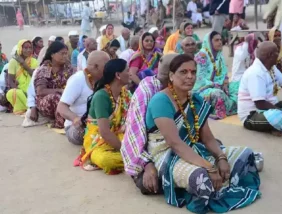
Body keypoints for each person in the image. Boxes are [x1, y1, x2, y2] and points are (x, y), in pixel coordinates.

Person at [145, 54, 260, 213]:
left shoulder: (195, 99)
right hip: (166, 157)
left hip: (194, 150)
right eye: (183, 72)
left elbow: (207, 138)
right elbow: (175, 144)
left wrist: (221, 158)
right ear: (171, 76)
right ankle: (212, 186)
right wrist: (210, 167)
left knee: (245, 154)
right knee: (202, 179)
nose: (190, 76)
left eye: (193, 72)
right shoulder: (161, 101)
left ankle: (219, 183)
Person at [121, 53, 178, 194]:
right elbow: (135, 132)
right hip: (153, 149)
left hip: (177, 144)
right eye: (183, 72)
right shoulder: (146, 91)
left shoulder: (180, 88)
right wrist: (147, 164)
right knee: (148, 185)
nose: (189, 77)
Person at [75, 59, 131, 174]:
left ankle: (132, 158)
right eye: (127, 70)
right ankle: (132, 159)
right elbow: (104, 132)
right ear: (118, 75)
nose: (130, 73)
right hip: (99, 141)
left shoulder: (125, 93)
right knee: (107, 160)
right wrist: (127, 152)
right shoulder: (101, 96)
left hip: (120, 135)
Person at [238, 41, 282, 136]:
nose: (279, 54)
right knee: (281, 119)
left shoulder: (272, 68)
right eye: (277, 52)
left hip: (272, 108)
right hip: (253, 115)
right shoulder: (256, 73)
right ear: (270, 55)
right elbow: (260, 104)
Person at [57, 51, 110, 145]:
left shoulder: (106, 79)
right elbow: (61, 107)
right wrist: (76, 119)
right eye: (107, 66)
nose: (109, 68)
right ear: (95, 67)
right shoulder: (78, 79)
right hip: (79, 127)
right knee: (91, 134)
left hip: (102, 122)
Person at [193, 31, 238, 119]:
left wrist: (225, 81)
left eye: (220, 40)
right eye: (216, 40)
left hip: (219, 84)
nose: (220, 42)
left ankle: (231, 106)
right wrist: (213, 84)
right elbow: (198, 78)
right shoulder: (201, 56)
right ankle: (216, 111)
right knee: (217, 94)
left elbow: (224, 70)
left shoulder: (219, 54)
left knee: (239, 86)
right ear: (209, 42)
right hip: (203, 88)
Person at [34, 42, 75, 129]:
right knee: (56, 97)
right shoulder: (45, 69)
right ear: (52, 55)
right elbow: (40, 91)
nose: (65, 56)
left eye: (66, 53)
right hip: (47, 102)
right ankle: (60, 124)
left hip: (66, 99)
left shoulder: (69, 68)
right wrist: (60, 91)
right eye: (62, 53)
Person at [6, 40, 39, 114]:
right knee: (12, 93)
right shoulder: (13, 62)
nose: (28, 50)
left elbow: (34, 76)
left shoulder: (34, 61)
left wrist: (23, 63)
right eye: (25, 48)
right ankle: (28, 108)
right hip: (19, 91)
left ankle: (28, 108)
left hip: (32, 91)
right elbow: (10, 81)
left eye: (30, 48)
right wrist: (18, 90)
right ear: (20, 48)